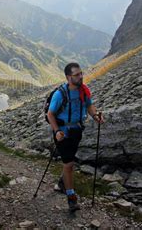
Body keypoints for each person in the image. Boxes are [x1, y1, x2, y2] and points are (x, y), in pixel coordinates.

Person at [47, 62, 105, 212]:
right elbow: (50, 114)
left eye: (81, 73)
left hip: (77, 130)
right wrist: (56, 131)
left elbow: (89, 105)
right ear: (68, 77)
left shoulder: (83, 91)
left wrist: (95, 116)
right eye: (77, 75)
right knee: (69, 164)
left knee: (70, 160)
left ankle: (62, 183)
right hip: (63, 133)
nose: (80, 77)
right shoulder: (60, 94)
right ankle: (71, 197)